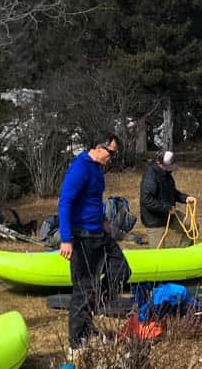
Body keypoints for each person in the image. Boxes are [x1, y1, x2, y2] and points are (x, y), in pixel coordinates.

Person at [58, 134, 131, 353]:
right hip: (82, 236)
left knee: (122, 269)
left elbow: (94, 200)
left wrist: (105, 221)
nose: (113, 158)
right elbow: (65, 202)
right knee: (83, 288)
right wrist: (66, 239)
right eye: (111, 153)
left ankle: (92, 313)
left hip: (99, 232)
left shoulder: (97, 170)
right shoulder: (79, 168)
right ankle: (76, 342)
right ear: (98, 148)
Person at [139, 150, 197, 248]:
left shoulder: (166, 174)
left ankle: (184, 253)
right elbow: (146, 200)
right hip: (154, 220)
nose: (172, 169)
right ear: (160, 164)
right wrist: (167, 207)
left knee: (192, 226)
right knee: (158, 255)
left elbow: (173, 192)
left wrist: (185, 198)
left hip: (169, 214)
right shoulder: (151, 176)